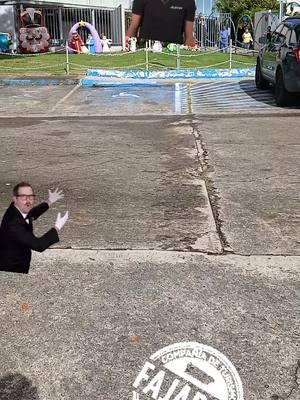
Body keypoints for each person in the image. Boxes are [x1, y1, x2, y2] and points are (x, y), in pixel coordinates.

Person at [0, 182, 69, 274]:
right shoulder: (14, 224)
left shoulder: (16, 208)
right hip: (12, 268)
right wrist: (57, 227)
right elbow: (38, 245)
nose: (28, 201)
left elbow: (32, 214)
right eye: (24, 197)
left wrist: (49, 202)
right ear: (15, 199)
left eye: (30, 197)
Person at [125, 0, 196, 50]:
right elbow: (134, 26)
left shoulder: (188, 2)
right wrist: (128, 42)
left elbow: (189, 35)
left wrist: (190, 46)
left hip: (174, 45)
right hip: (146, 43)